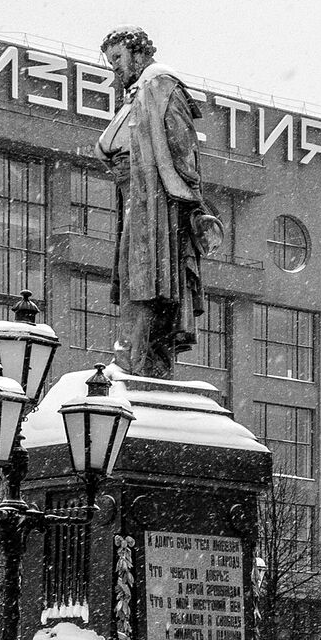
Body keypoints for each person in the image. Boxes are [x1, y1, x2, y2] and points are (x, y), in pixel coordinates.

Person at [96, 26, 222, 378]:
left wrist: (190, 200)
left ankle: (136, 359)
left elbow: (183, 147)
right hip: (138, 196)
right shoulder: (138, 92)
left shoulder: (160, 85)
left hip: (156, 203)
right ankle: (140, 359)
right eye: (110, 60)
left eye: (118, 57)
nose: (115, 67)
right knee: (140, 278)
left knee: (148, 280)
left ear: (138, 52)